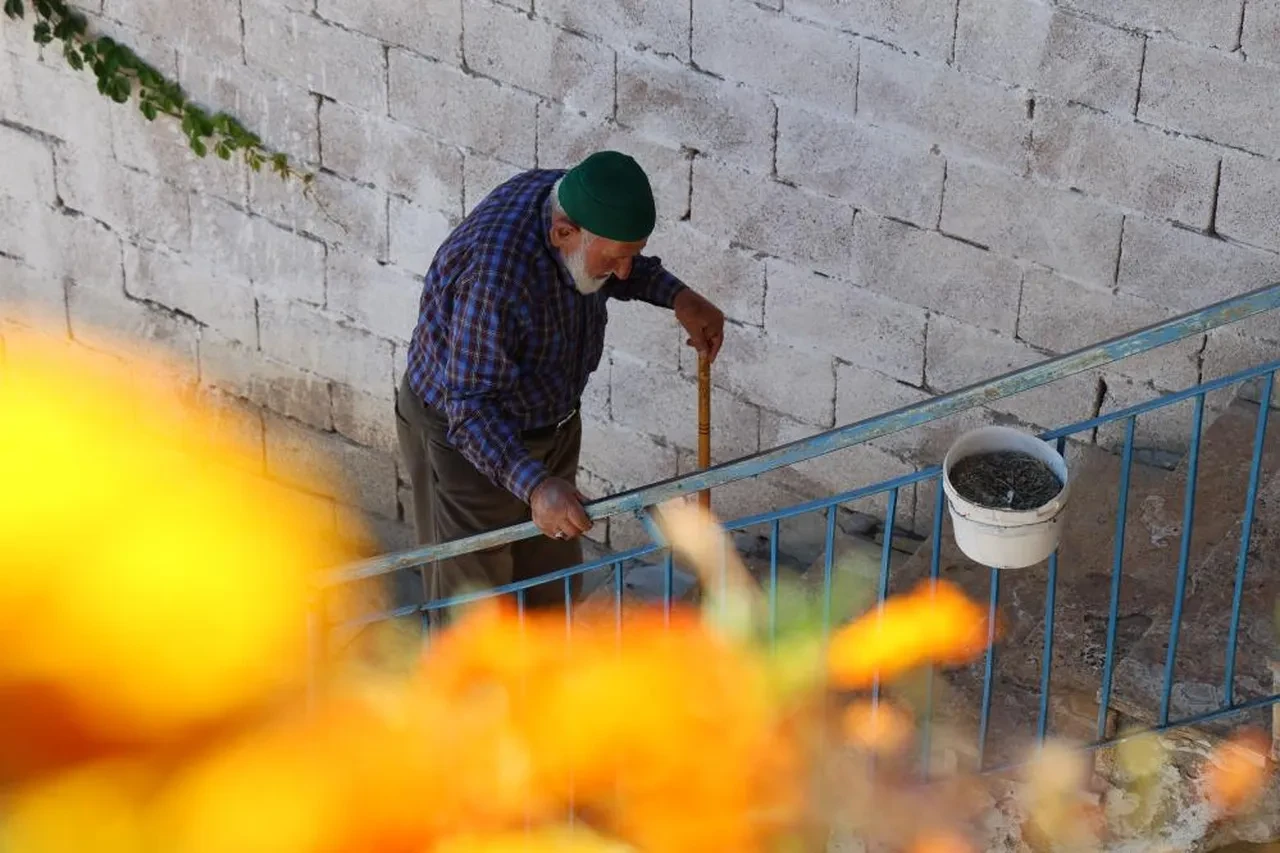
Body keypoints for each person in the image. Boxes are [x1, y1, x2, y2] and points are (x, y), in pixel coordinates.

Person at [395, 150, 725, 611]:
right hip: (465, 439)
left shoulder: (579, 204)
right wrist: (535, 486)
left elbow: (620, 262)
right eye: (615, 259)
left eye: (631, 256)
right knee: (474, 605)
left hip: (550, 423)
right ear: (563, 232)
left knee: (550, 586)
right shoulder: (496, 278)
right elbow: (469, 408)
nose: (623, 272)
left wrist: (679, 297)